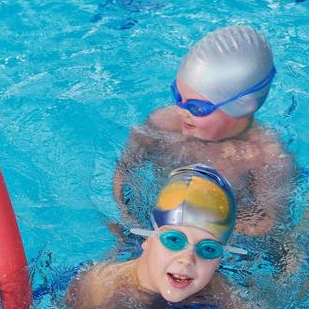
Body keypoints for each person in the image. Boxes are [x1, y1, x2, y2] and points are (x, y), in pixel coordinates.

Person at [66, 164, 301, 309]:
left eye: (208, 249)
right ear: (147, 239)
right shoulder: (103, 288)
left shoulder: (215, 287)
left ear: (220, 259)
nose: (188, 259)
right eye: (174, 240)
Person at [113, 25, 298, 239]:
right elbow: (123, 171)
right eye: (178, 96)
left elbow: (271, 225)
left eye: (197, 107)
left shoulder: (266, 158)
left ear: (242, 106)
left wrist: (208, 231)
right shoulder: (162, 123)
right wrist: (125, 218)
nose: (182, 111)